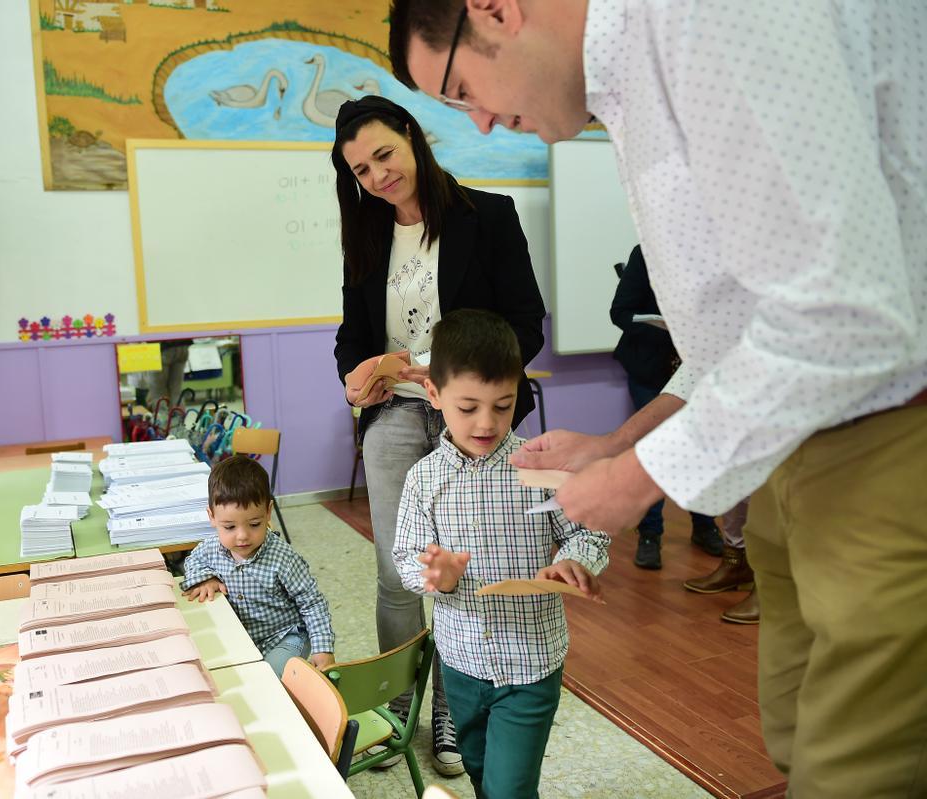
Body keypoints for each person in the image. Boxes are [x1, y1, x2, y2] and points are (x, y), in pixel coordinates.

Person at [388, 2, 927, 795]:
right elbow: (744, 324)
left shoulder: (704, 21)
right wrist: (618, 444)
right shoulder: (628, 72)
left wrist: (637, 474)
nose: (486, 122)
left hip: (874, 430)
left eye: (462, 88)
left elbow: (838, 313)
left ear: (495, 11)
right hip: (792, 445)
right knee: (792, 722)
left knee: (855, 764)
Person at [332, 94, 546, 774]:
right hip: (393, 415)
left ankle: (454, 709)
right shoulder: (367, 236)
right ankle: (398, 707)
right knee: (403, 567)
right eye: (361, 171)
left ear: (412, 137)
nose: (377, 176)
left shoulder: (488, 216)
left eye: (384, 155)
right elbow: (352, 338)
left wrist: (437, 370)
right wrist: (355, 375)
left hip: (471, 419)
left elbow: (526, 324)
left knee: (468, 560)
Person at [395, 309, 610, 798]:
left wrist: (576, 560)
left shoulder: (538, 467)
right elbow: (406, 557)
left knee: (510, 789)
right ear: (434, 394)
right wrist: (436, 574)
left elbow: (590, 532)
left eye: (503, 405)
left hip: (531, 662)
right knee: (478, 771)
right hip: (461, 662)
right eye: (468, 407)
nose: (486, 422)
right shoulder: (424, 480)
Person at [609, 245, 721, 569]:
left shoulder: (712, 255)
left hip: (697, 368)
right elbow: (620, 313)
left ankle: (704, 525)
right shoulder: (646, 253)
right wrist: (665, 327)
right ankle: (650, 535)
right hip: (651, 366)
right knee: (653, 450)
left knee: (700, 449)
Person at [180, 455, 335, 676]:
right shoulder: (211, 548)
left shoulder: (283, 558)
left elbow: (313, 604)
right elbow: (193, 560)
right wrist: (206, 577)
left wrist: (323, 648)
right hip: (243, 637)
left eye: (254, 524)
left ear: (268, 512)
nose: (242, 536)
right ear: (212, 516)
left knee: (267, 678)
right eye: (230, 527)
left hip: (286, 636)